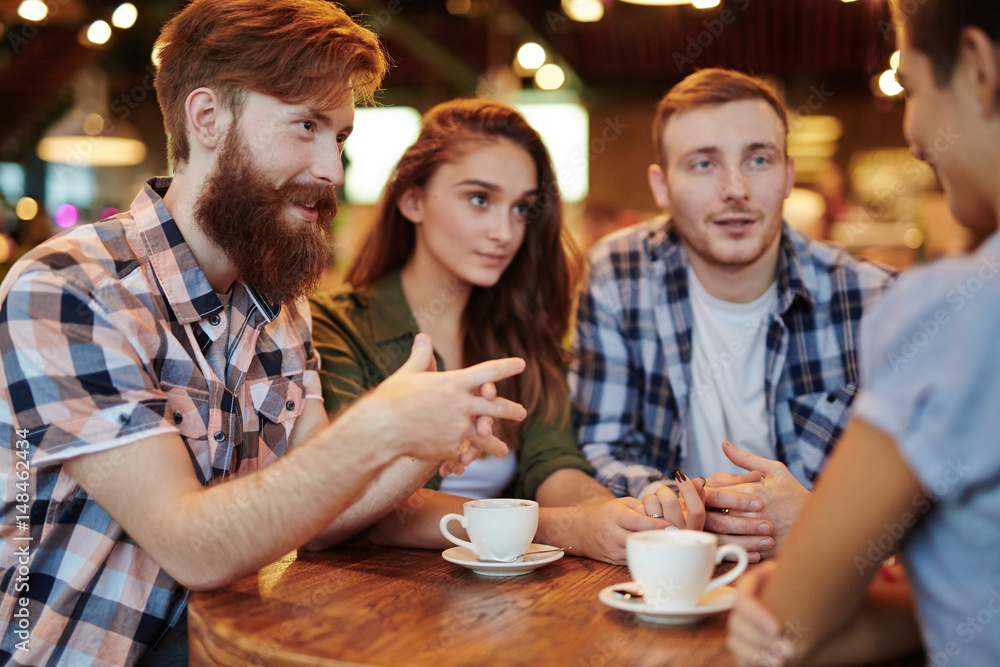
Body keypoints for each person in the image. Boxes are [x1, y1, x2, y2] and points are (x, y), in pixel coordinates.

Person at [0, 3, 529, 665]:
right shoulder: (69, 288)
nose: (333, 170)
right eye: (305, 125)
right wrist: (382, 426)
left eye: (338, 137)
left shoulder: (280, 301)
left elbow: (326, 513)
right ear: (206, 118)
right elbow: (191, 543)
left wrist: (428, 436)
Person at [310, 99, 707, 565]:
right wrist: (569, 527)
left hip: (509, 604)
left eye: (522, 208)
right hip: (369, 608)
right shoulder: (332, 324)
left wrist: (612, 514)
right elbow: (369, 506)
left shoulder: (520, 332)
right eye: (480, 199)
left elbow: (553, 461)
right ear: (412, 199)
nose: (505, 230)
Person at [727, 2, 1000, 665]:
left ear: (977, 66)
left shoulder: (957, 310)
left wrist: (787, 602)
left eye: (908, 88)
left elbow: (788, 631)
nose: (912, 134)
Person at [570, 68, 896, 563]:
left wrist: (818, 519)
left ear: (787, 174)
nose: (735, 189)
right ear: (661, 185)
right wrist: (694, 504)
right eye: (703, 164)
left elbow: (921, 490)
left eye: (758, 159)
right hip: (669, 574)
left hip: (823, 581)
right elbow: (601, 446)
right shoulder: (618, 272)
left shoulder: (873, 298)